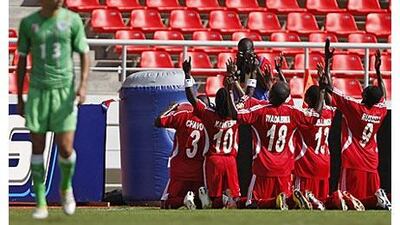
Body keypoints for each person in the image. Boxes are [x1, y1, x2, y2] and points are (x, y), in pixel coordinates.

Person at [16, 0, 90, 219]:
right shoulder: (29, 23)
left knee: (66, 148)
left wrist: (83, 85)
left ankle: (66, 189)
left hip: (64, 92)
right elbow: (21, 61)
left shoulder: (73, 20)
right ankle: (40, 202)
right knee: (37, 146)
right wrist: (20, 96)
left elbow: (84, 53)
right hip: (38, 91)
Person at [231, 78, 326, 210]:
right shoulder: (294, 112)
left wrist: (230, 88)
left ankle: (274, 201)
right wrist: (322, 90)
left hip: (263, 168)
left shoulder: (260, 110)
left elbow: (235, 114)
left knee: (252, 204)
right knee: (285, 205)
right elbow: (315, 115)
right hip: (284, 169)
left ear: (270, 95)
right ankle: (306, 199)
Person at [321, 40, 391, 211]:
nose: (362, 89)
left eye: (365, 90)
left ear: (365, 97)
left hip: (353, 161)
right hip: (372, 162)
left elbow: (329, 87)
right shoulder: (380, 111)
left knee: (348, 202)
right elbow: (383, 93)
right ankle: (385, 198)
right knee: (368, 204)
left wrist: (328, 61)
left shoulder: (355, 108)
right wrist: (378, 71)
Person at [184, 57, 240, 209]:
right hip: (230, 159)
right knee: (235, 197)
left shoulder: (209, 114)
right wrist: (232, 80)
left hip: (214, 159)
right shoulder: (237, 115)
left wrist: (187, 74)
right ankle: (227, 200)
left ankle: (205, 198)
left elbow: (191, 97)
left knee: (213, 198)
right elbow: (246, 95)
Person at [155, 99, 210, 210]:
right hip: (200, 170)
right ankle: (203, 198)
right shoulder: (211, 120)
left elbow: (159, 121)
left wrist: (172, 108)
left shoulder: (184, 115)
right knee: (198, 201)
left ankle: (184, 200)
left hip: (180, 168)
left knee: (166, 202)